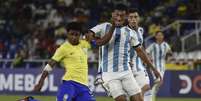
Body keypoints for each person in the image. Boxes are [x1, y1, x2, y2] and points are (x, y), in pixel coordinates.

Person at [90, 4, 162, 101]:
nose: (119, 18)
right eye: (117, 15)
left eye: (122, 16)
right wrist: (93, 40)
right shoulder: (104, 27)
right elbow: (89, 35)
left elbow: (140, 52)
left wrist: (154, 69)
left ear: (126, 17)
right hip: (110, 74)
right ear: (112, 15)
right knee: (122, 99)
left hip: (126, 72)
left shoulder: (131, 32)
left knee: (139, 98)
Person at [33, 21, 115, 101]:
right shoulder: (63, 48)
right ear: (67, 34)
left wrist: (113, 27)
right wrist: (41, 82)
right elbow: (50, 65)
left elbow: (102, 42)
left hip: (83, 87)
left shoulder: (85, 43)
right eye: (71, 34)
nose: (74, 37)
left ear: (80, 35)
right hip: (69, 84)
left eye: (76, 35)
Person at [128, 8, 152, 101]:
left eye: (135, 17)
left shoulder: (141, 30)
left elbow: (140, 47)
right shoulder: (124, 31)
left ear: (139, 18)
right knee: (132, 96)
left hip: (139, 65)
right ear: (127, 19)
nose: (133, 19)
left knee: (146, 88)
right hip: (127, 67)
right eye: (131, 17)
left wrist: (146, 56)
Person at [146, 31, 172, 101]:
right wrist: (149, 58)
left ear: (163, 36)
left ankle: (151, 97)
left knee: (158, 84)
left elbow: (170, 52)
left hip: (162, 67)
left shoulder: (165, 45)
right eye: (158, 35)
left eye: (161, 35)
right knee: (158, 81)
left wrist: (169, 58)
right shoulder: (153, 45)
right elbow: (146, 52)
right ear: (156, 36)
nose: (160, 36)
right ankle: (150, 97)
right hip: (154, 67)